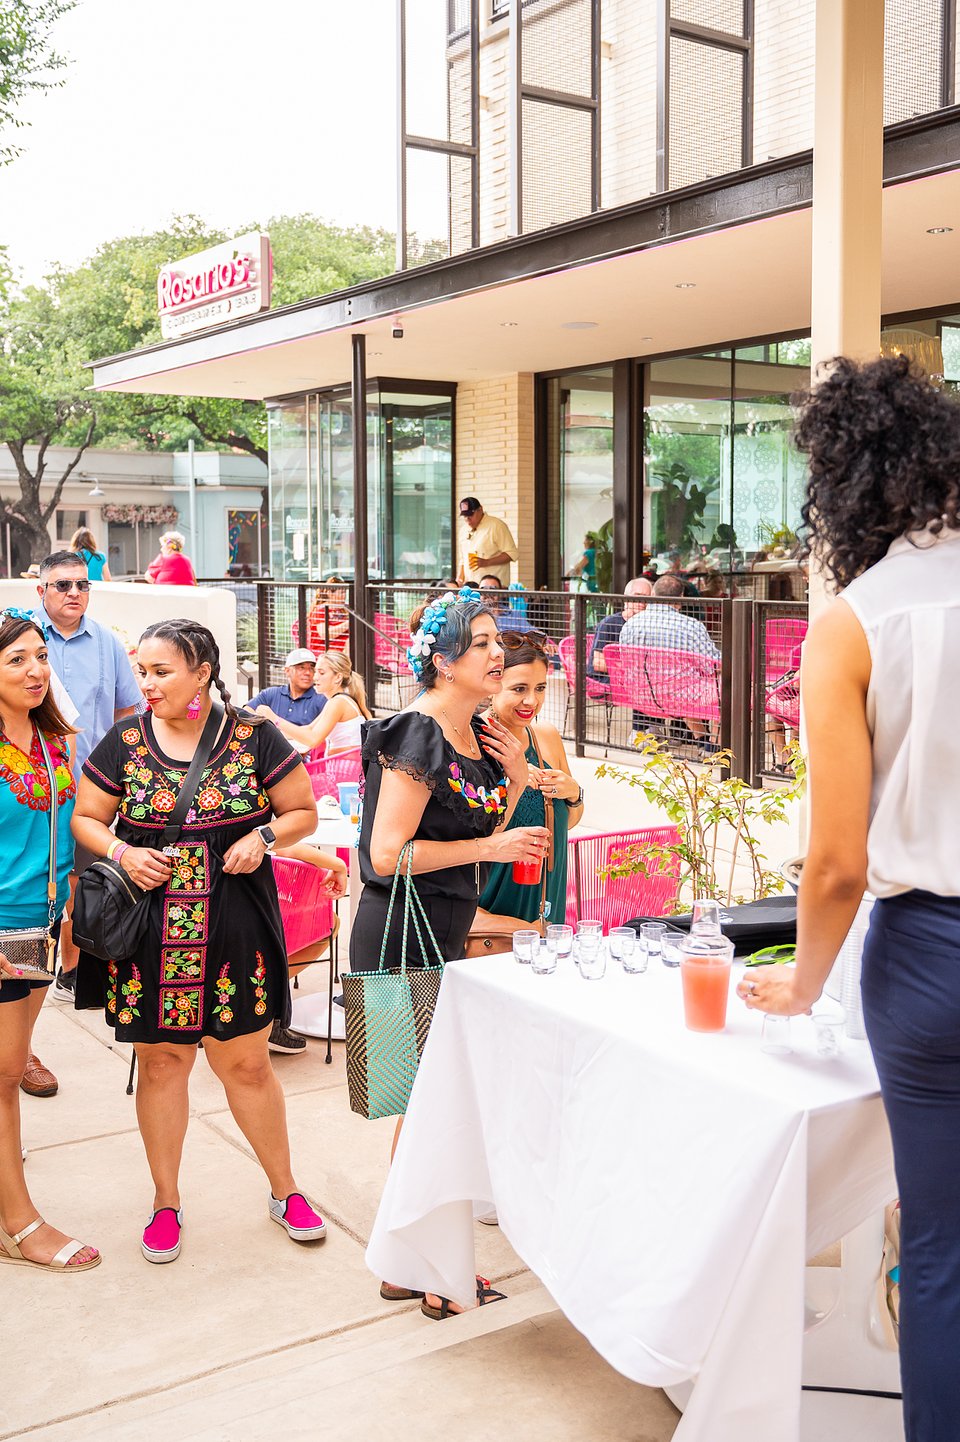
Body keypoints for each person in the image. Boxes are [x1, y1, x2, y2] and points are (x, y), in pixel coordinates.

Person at [736, 354, 960, 1442]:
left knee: (944, 1247)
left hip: (931, 956)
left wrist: (805, 982)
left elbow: (834, 861)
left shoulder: (855, 623)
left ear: (843, 486)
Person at [71, 618, 323, 1265]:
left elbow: (302, 811)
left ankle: (285, 1190)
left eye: (162, 671)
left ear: (202, 672)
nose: (147, 684)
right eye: (143, 672)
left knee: (246, 1065)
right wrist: (123, 852)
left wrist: (261, 838)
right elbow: (87, 817)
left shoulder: (254, 736)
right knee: (162, 1064)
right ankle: (165, 1201)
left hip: (235, 926)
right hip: (151, 932)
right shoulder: (126, 741)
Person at [352, 587, 549, 1318]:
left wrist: (518, 778)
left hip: (444, 927)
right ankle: (433, 1271)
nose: (499, 654)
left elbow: (473, 831)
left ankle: (412, 1263)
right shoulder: (418, 733)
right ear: (442, 660)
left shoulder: (474, 733)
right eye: (483, 643)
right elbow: (387, 854)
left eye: (499, 640)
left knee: (430, 1107)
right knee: (428, 1106)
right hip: (402, 930)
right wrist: (492, 848)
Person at [0, 608, 100, 1273]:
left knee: (7, 1070)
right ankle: (17, 1224)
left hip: (42, 930)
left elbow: (68, 832)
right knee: (4, 1076)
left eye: (40, 656)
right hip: (2, 928)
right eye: (16, 660)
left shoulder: (51, 739)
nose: (36, 670)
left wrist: (67, 918)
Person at [27, 551, 142, 1096]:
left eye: (82, 584)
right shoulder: (21, 639)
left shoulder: (108, 643)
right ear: (41, 589)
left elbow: (126, 711)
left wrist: (116, 771)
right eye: (62, 585)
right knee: (28, 903)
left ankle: (71, 973)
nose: (74, 592)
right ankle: (21, 1043)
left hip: (89, 796)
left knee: (81, 888)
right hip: (27, 792)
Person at [477, 631, 583, 931]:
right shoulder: (474, 742)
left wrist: (573, 793)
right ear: (492, 686)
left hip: (547, 898)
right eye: (519, 688)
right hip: (494, 907)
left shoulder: (545, 736)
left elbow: (564, 822)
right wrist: (515, 782)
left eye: (540, 688)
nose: (531, 701)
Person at [267, 842, 347, 1057]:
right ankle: (268, 1000)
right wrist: (339, 865)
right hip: (260, 914)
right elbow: (286, 847)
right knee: (330, 923)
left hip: (207, 912)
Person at [261, 651, 370, 756]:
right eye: (316, 671)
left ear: (338, 677)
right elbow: (308, 729)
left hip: (344, 767)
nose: (315, 677)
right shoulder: (336, 700)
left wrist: (275, 719)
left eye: (321, 673)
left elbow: (313, 740)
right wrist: (273, 733)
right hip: (339, 765)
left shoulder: (338, 702)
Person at [587, 578, 652, 685]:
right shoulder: (608, 624)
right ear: (626, 598)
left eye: (647, 598)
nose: (642, 601)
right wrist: (629, 670)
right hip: (605, 680)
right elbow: (598, 663)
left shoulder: (649, 626)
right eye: (637, 595)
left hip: (635, 681)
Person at [248, 650, 327, 727]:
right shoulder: (271, 694)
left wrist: (274, 719)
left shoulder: (321, 699)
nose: (308, 673)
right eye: (301, 668)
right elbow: (245, 713)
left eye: (311, 668)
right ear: (287, 671)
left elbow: (314, 733)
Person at [456, 497, 518, 589]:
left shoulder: (496, 525)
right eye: (465, 516)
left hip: (494, 588)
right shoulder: (463, 530)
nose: (468, 519)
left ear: (480, 509)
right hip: (471, 587)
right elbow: (463, 559)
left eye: (470, 515)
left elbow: (512, 554)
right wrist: (460, 578)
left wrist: (486, 562)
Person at [306, 577, 350, 654]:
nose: (344, 596)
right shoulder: (320, 610)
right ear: (330, 593)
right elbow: (324, 634)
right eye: (342, 592)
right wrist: (348, 624)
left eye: (345, 592)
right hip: (327, 649)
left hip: (344, 646)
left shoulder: (345, 608)